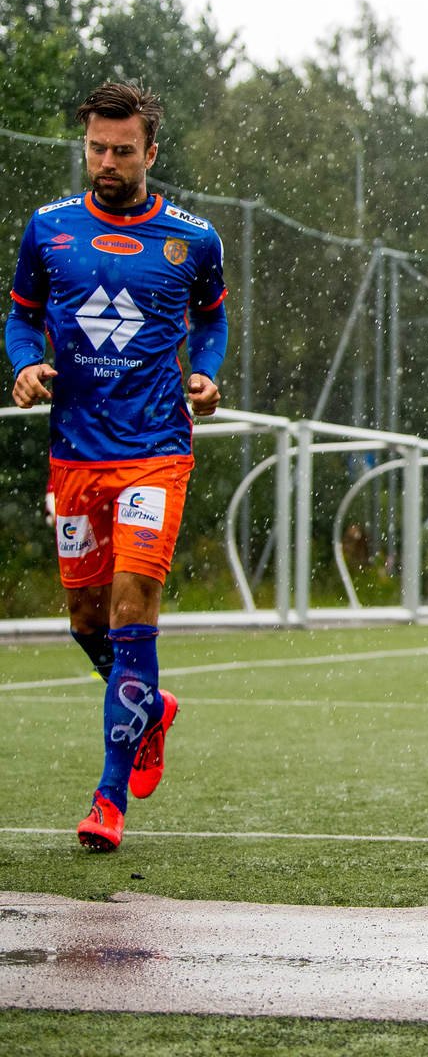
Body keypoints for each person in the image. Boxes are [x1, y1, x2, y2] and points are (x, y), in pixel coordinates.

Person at [7, 82, 227, 852]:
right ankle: (149, 708)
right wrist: (24, 365)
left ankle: (108, 799)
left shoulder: (193, 239)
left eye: (122, 150)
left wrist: (205, 373)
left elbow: (213, 320)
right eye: (97, 148)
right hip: (75, 454)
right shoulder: (49, 229)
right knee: (85, 619)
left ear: (150, 152)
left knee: (133, 607)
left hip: (156, 453)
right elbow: (20, 316)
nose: (107, 161)